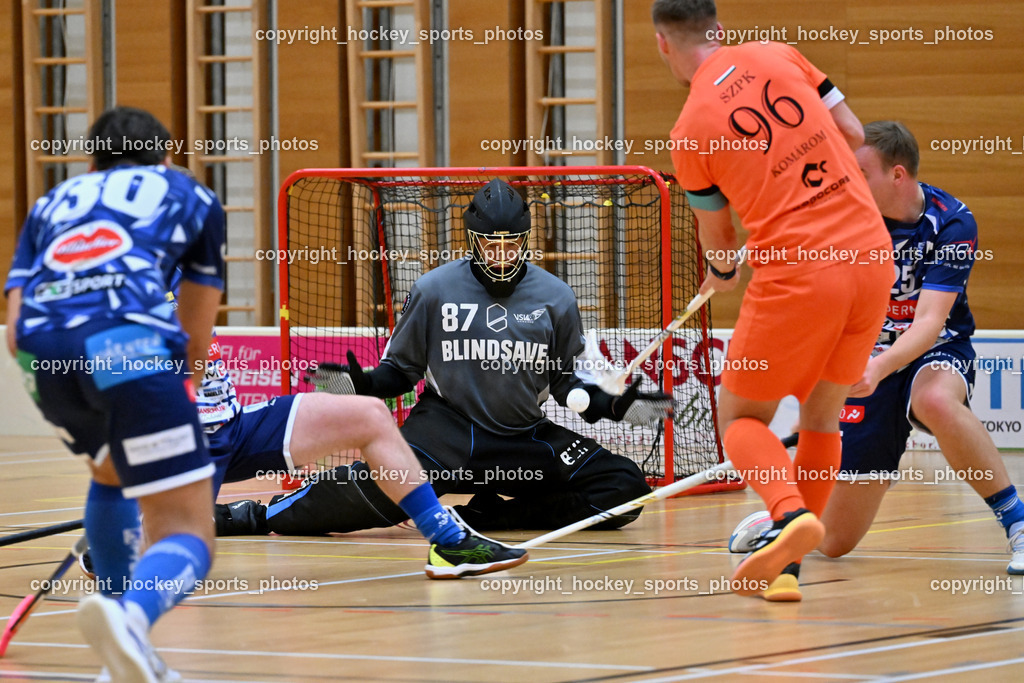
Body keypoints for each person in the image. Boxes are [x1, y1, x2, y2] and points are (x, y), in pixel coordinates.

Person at [215, 178, 670, 538]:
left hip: (520, 438)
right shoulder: (434, 290)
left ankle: (489, 520)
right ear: (472, 241)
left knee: (624, 488)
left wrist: (615, 404)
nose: (502, 255)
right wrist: (364, 384)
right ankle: (252, 514)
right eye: (492, 244)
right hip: (445, 434)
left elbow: (567, 385)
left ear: (526, 241)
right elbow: (401, 372)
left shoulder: (557, 297)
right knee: (369, 494)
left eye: (512, 244)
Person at [653, 0, 893, 598]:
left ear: (664, 44)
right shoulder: (781, 55)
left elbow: (721, 236)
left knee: (739, 419)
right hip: (871, 257)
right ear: (720, 29)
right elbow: (854, 133)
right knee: (821, 414)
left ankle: (787, 515)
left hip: (799, 276)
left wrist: (722, 271)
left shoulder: (690, 131)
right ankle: (787, 571)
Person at [731, 121, 1024, 597]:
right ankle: (784, 518)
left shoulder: (953, 221)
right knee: (836, 543)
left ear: (898, 175)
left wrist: (879, 366)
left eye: (859, 171)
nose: (847, 181)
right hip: (864, 356)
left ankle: (1018, 525)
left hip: (933, 349)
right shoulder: (842, 214)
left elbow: (929, 322)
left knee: (936, 401)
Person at [5, 107, 224, 682]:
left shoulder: (54, 201)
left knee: (108, 472)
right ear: (165, 156)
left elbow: (14, 321)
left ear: (92, 159)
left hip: (40, 352)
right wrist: (188, 380)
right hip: (126, 344)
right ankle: (130, 619)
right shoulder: (191, 194)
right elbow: (198, 311)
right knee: (188, 531)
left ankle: (121, 653)